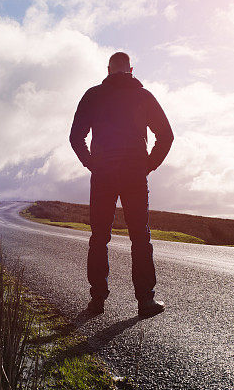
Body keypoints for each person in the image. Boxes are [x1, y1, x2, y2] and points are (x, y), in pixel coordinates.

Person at [69, 51, 174, 318]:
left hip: (103, 174)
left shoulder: (93, 95)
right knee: (140, 237)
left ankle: (97, 302)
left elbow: (75, 137)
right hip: (134, 174)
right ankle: (145, 302)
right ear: (130, 70)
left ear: (108, 70)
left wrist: (92, 164)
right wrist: (148, 165)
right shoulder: (143, 96)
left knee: (99, 237)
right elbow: (166, 136)